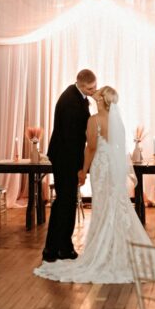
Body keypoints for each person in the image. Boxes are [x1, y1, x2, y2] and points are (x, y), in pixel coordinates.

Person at [35, 86, 152, 284]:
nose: (93, 97)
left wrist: (83, 170)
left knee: (102, 207)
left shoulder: (94, 120)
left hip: (99, 166)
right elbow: (117, 147)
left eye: (96, 96)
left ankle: (101, 250)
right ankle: (118, 250)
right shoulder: (118, 123)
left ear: (101, 101)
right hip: (113, 170)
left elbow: (90, 148)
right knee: (116, 204)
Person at [42, 69, 97, 262]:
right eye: (91, 88)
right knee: (64, 204)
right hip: (65, 158)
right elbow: (72, 140)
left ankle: (62, 247)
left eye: (95, 86)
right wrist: (79, 169)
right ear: (81, 84)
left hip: (65, 156)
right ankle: (53, 249)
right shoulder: (71, 102)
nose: (94, 90)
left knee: (65, 203)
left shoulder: (76, 95)